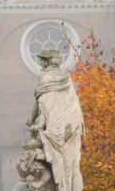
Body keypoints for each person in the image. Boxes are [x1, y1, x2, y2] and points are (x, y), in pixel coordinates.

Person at [28, 49, 84, 191]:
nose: (40, 62)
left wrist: (36, 120)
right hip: (69, 126)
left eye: (42, 59)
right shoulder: (66, 77)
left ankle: (62, 186)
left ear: (48, 61)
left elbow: (44, 102)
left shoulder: (46, 77)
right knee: (70, 163)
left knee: (57, 159)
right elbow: (72, 103)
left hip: (55, 127)